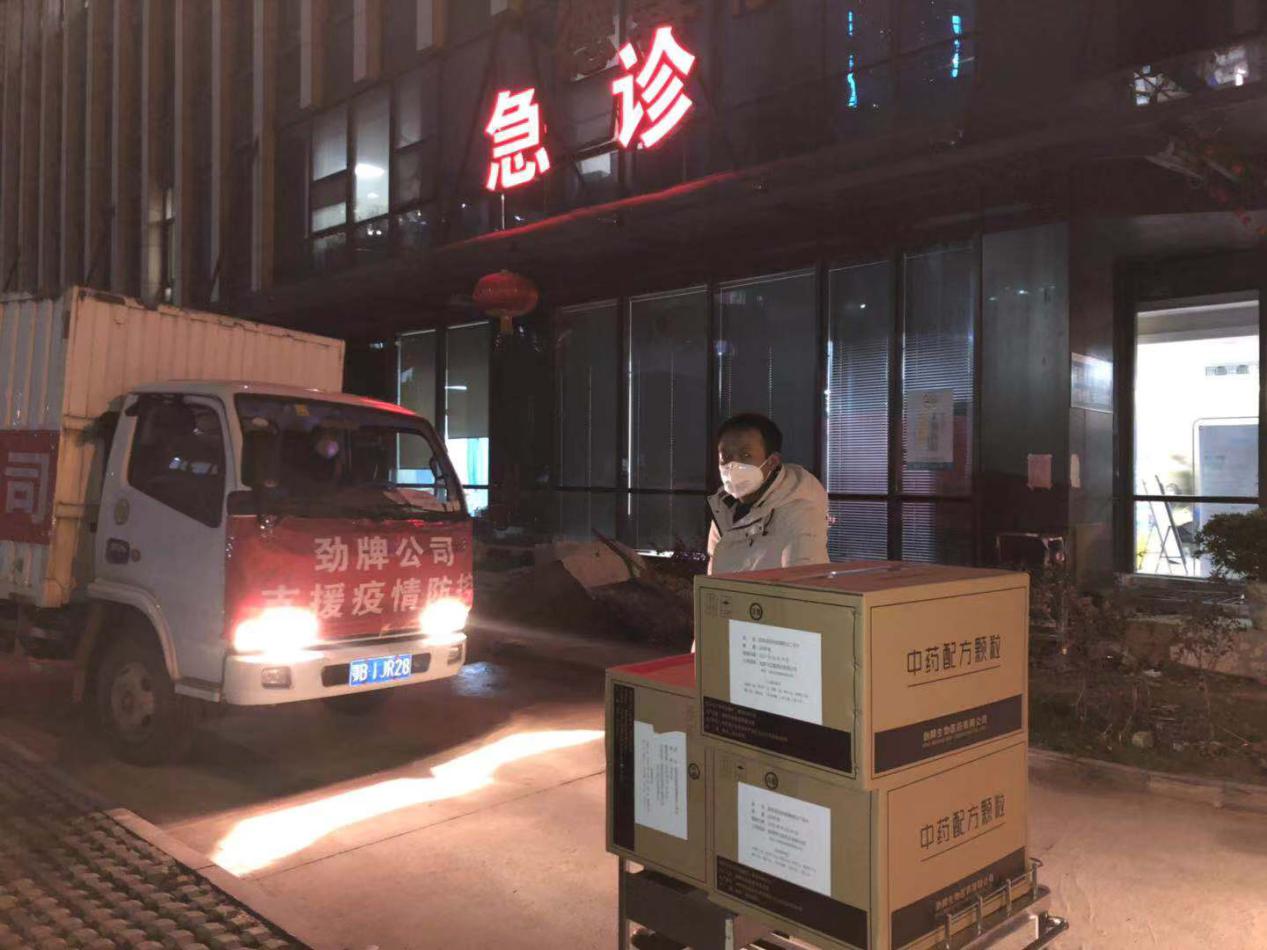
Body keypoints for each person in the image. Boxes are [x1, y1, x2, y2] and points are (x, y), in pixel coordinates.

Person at [707, 412, 829, 576]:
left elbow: (806, 581)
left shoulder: (799, 512)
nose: (733, 464)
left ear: (772, 461)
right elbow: (713, 568)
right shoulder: (723, 508)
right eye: (726, 456)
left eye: (746, 455)